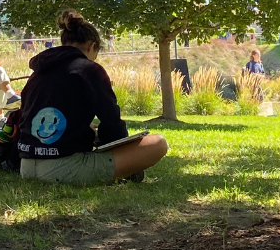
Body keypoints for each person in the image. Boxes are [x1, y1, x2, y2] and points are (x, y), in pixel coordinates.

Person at [14, 10, 168, 185]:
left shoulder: (38, 72)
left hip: (26, 166)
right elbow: (111, 121)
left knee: (91, 130)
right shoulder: (89, 70)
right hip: (65, 168)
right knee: (158, 143)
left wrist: (86, 130)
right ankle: (125, 172)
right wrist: (120, 148)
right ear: (91, 46)